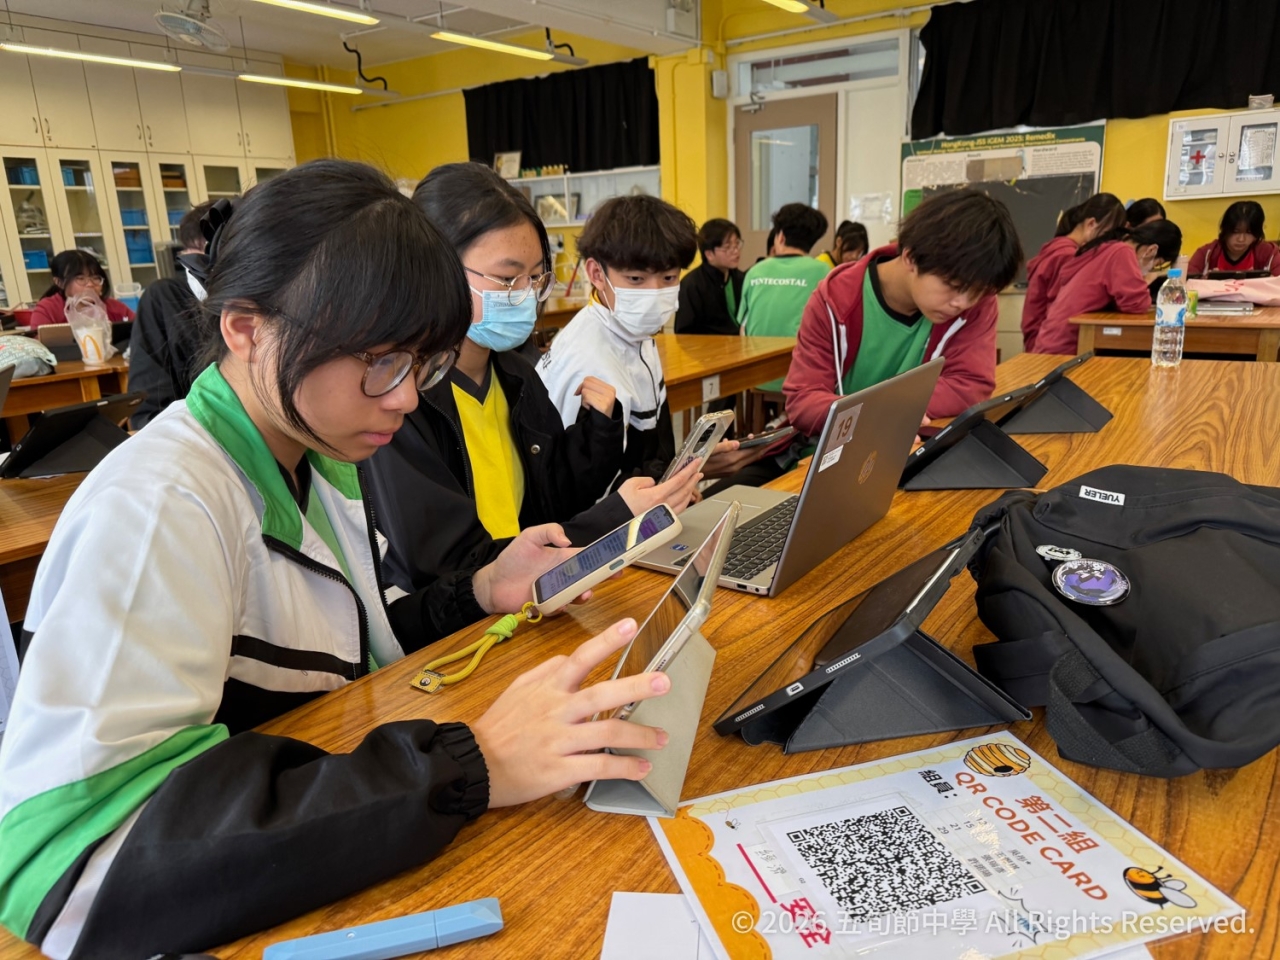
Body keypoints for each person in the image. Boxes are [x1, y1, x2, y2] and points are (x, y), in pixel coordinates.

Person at [0, 161, 673, 958]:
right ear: (246, 329)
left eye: (420, 363)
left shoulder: (315, 456)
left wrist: (482, 589)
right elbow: (67, 874)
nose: (405, 397)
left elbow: (347, 657)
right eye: (379, 361)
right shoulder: (160, 507)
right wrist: (473, 763)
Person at [365, 162, 701, 600]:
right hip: (471, 617)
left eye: (535, 277)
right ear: (435, 268)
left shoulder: (516, 373)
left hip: (535, 599)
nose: (525, 295)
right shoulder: (402, 399)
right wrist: (616, 516)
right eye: (508, 279)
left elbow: (554, 504)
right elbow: (454, 571)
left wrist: (597, 432)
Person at [537, 195, 752, 486]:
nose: (654, 293)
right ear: (597, 273)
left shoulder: (633, 332)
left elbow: (647, 454)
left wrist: (690, 467)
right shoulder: (588, 361)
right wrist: (676, 484)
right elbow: (588, 489)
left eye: (668, 278)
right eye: (636, 279)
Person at [784, 189, 1023, 439]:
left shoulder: (978, 301)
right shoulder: (834, 300)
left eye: (977, 292)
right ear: (910, 257)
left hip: (920, 442)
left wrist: (894, 409)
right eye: (953, 285)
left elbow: (970, 384)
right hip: (837, 446)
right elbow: (804, 401)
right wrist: (882, 412)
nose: (962, 303)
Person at [1033, 219, 1183, 355]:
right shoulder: (1123, 252)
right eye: (1157, 264)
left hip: (1051, 339)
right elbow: (1137, 304)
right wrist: (1147, 279)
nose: (1151, 269)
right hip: (1066, 346)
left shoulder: (1108, 246)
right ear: (1151, 250)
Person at [128, 200, 218, 427]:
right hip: (189, 433)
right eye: (206, 253)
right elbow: (148, 409)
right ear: (187, 254)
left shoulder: (259, 299)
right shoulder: (164, 298)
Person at [738, 203, 831, 392]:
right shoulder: (824, 271)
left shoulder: (755, 271)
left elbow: (743, 327)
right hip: (804, 378)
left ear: (780, 236)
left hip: (757, 376)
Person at [1021, 193, 1125, 351]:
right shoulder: (1068, 255)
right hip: (1047, 345)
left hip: (1040, 339)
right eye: (1108, 235)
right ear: (1091, 224)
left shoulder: (1057, 247)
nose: (1107, 243)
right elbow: (1058, 309)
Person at [28, 249, 135, 329]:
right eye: (80, 278)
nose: (90, 284)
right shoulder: (47, 310)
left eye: (95, 278)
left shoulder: (117, 309)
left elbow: (140, 333)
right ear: (59, 282)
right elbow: (38, 347)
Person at [674, 218, 745, 336]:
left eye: (737, 244)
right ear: (709, 254)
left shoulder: (741, 278)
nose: (736, 251)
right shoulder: (692, 285)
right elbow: (684, 332)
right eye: (727, 247)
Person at [1188, 200, 1279, 276]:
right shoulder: (1206, 254)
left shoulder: (1269, 253)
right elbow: (1186, 282)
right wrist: (1206, 281)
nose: (1241, 239)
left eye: (1249, 232)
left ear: (1257, 234)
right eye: (1235, 232)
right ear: (1224, 230)